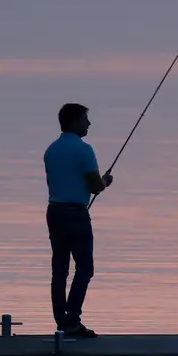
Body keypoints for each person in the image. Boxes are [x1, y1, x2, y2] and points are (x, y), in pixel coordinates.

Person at [45, 103, 112, 338]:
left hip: (54, 211)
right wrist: (105, 182)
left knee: (59, 269)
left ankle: (62, 322)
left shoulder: (51, 150)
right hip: (76, 213)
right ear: (74, 122)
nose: (89, 123)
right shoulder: (84, 150)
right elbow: (94, 185)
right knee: (84, 267)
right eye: (85, 119)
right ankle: (72, 320)